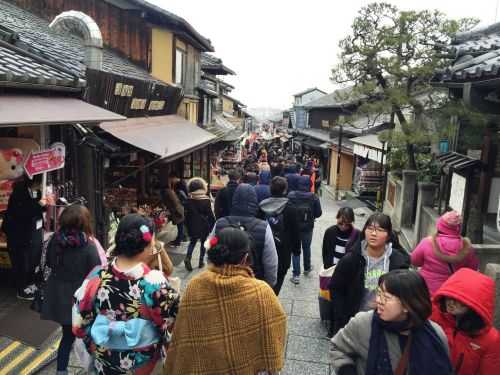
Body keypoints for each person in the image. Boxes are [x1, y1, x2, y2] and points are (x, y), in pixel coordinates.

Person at [164, 227, 287, 375]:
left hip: (201, 367)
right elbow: (275, 331)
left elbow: (184, 336)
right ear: (244, 258)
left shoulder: (195, 285)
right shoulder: (261, 292)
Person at [73, 214, 180, 374]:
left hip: (105, 358)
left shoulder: (96, 276)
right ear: (147, 245)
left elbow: (79, 325)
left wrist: (99, 340)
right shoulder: (154, 282)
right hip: (142, 362)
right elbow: (170, 321)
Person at [331, 269, 452, 375]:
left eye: (386, 298)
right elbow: (339, 348)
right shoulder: (363, 323)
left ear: (407, 305)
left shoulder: (435, 335)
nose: (379, 300)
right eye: (379, 293)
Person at [40, 204, 101, 375]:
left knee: (67, 336)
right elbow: (96, 273)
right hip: (80, 299)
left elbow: (50, 263)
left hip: (59, 295)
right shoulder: (88, 247)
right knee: (91, 335)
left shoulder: (55, 240)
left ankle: (61, 370)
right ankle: (95, 367)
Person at [328, 213, 410, 337]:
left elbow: (404, 293)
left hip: (387, 323)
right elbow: (335, 287)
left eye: (380, 230)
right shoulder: (352, 259)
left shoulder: (397, 262)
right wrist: (342, 315)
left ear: (388, 235)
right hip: (355, 321)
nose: (373, 234)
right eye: (370, 229)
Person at [431, 268, 500, 375]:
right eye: (449, 296)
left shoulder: (491, 339)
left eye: (459, 299)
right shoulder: (432, 315)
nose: (451, 302)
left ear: (475, 303)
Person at [212, 183, 278, 287]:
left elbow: (210, 247)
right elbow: (271, 262)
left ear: (234, 200)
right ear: (255, 201)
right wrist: (268, 285)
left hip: (222, 280)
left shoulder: (219, 223)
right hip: (252, 282)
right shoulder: (264, 227)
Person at [2, 174, 51, 300]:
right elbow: (23, 212)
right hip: (18, 233)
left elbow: (36, 208)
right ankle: (21, 289)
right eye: (40, 183)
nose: (41, 186)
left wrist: (43, 202)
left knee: (31, 259)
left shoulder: (34, 191)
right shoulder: (19, 193)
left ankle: (29, 284)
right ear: (34, 182)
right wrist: (39, 204)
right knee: (21, 261)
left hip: (30, 232)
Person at [411, 210, 478, 295]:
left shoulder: (427, 242)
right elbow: (472, 270)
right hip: (451, 294)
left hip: (426, 290)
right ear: (458, 228)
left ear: (440, 226)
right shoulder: (467, 248)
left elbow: (415, 261)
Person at [259, 176, 301, 294]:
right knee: (278, 281)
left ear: (270, 190)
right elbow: (295, 233)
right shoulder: (291, 209)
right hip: (283, 252)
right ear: (285, 191)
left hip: (263, 250)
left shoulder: (262, 206)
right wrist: (297, 250)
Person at [288, 175, 322, 284]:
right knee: (306, 247)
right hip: (308, 227)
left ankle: (296, 275)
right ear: (309, 184)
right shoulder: (314, 197)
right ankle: (307, 268)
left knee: (295, 250)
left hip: (293, 227)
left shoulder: (291, 195)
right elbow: (319, 213)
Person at [183, 177, 215, 271]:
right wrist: (212, 225)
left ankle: (188, 258)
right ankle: (200, 262)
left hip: (192, 224)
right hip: (203, 225)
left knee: (192, 242)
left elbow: (187, 214)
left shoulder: (189, 199)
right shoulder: (206, 199)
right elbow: (210, 214)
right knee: (203, 243)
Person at [167, 172, 188, 246]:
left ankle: (179, 239)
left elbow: (184, 196)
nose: (170, 180)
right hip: (181, 206)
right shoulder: (179, 183)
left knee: (180, 223)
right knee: (181, 223)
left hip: (181, 206)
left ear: (174, 177)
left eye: (171, 179)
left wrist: (181, 204)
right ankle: (182, 237)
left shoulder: (181, 184)